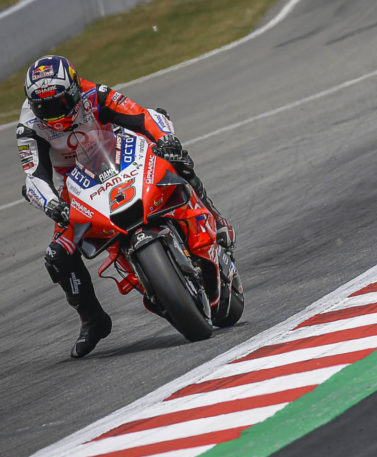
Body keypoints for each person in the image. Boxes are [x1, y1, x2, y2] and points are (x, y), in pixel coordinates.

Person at [16, 54, 234, 358]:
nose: (53, 114)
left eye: (60, 103)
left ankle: (215, 219)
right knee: (57, 255)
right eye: (44, 108)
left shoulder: (96, 94)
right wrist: (53, 205)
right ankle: (93, 320)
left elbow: (143, 115)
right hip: (77, 186)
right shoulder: (28, 129)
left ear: (75, 90)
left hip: (121, 156)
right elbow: (34, 177)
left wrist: (166, 139)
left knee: (177, 162)